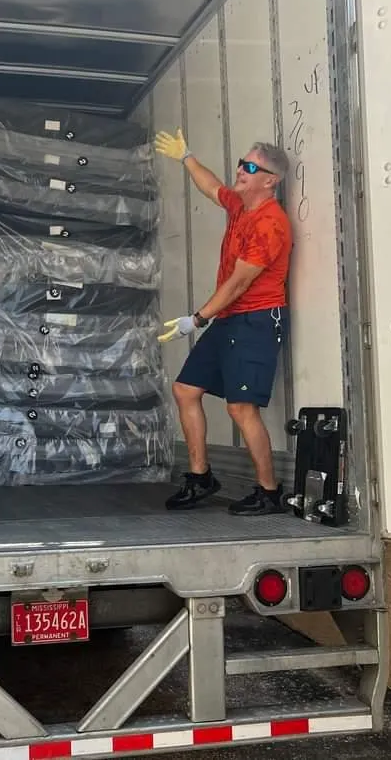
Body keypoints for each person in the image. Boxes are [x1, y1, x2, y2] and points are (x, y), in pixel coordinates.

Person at [153, 128, 292, 516]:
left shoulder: (270, 223)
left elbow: (240, 282)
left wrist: (196, 320)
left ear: (270, 181)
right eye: (241, 163)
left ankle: (270, 492)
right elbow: (212, 187)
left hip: (256, 320)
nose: (241, 170)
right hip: (230, 318)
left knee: (241, 408)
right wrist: (187, 157)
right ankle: (201, 479)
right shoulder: (240, 207)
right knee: (185, 390)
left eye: (250, 167)